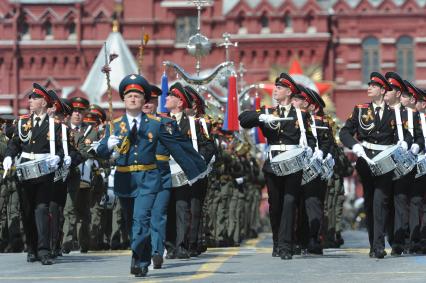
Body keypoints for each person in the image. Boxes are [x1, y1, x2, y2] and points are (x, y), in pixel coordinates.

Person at [96, 74, 207, 277]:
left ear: (144, 100)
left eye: (137, 95)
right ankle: (142, 253)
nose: (133, 98)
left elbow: (178, 146)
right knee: (132, 223)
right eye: (129, 95)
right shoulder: (114, 126)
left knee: (142, 219)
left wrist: (196, 170)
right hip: (125, 179)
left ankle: (139, 260)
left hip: (149, 178)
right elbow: (101, 153)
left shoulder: (156, 125)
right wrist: (107, 146)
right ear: (123, 98)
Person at [239, 73, 316, 260]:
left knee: (290, 203)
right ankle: (277, 241)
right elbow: (243, 119)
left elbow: (311, 140)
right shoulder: (268, 111)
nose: (275, 90)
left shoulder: (301, 115)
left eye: (279, 88)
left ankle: (286, 246)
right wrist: (261, 117)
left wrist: (312, 153)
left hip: (294, 163)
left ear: (289, 92)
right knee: (276, 206)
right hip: (273, 164)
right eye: (275, 87)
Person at [339, 72, 412, 259]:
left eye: (373, 85)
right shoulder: (360, 109)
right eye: (369, 85)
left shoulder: (394, 112)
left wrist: (404, 144)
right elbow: (345, 131)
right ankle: (374, 243)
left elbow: (407, 136)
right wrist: (355, 146)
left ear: (382, 90)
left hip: (386, 162)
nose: (369, 87)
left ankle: (379, 246)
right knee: (370, 203)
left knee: (381, 200)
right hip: (365, 161)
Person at [3, 83, 63, 265]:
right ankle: (31, 248)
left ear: (44, 103)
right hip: (25, 172)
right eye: (30, 98)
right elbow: (15, 144)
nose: (30, 101)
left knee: (42, 209)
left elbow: (62, 149)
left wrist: (58, 159)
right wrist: (8, 156)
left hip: (45, 173)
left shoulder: (54, 125)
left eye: (35, 98)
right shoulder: (22, 122)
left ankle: (44, 250)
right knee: (27, 211)